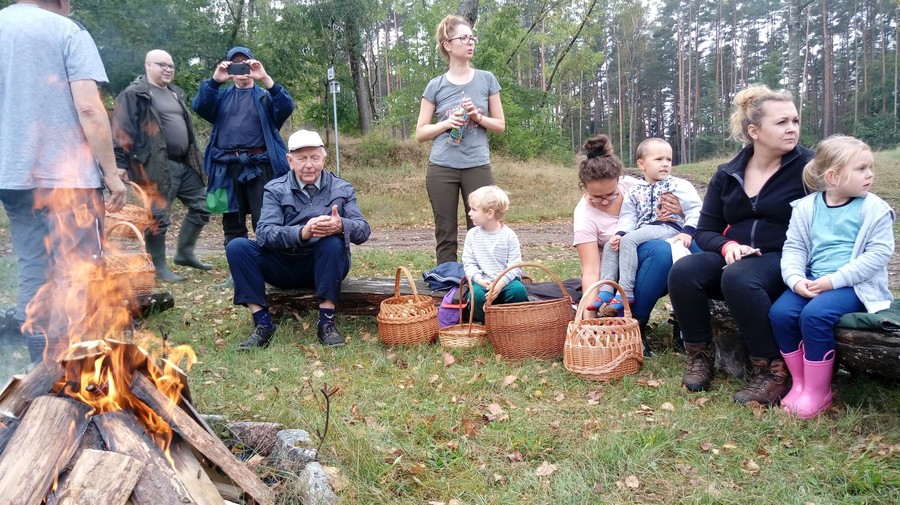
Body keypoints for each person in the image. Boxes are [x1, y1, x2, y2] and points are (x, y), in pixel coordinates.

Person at [667, 84, 814, 405]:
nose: (792, 128)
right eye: (781, 122)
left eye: (795, 120)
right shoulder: (728, 173)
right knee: (684, 270)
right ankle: (699, 354)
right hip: (738, 257)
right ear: (754, 131)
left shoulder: (809, 168)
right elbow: (705, 230)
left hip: (788, 257)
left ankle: (772, 369)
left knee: (738, 276)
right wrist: (726, 247)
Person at [0, 0, 127, 362]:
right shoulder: (67, 31)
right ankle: (73, 363)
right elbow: (89, 107)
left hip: (13, 176)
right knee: (79, 270)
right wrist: (111, 173)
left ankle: (38, 358)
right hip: (68, 179)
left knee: (33, 265)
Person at [770, 136, 893, 419]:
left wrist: (833, 281)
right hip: (813, 279)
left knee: (815, 315)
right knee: (781, 313)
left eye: (870, 167)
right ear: (833, 176)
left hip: (855, 285)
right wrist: (795, 279)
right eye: (861, 168)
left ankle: (818, 390)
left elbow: (877, 255)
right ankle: (800, 383)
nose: (870, 174)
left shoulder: (874, 209)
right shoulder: (806, 207)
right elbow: (794, 248)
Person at [225, 130, 370, 350]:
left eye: (315, 157)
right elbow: (264, 233)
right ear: (289, 160)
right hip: (283, 266)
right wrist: (303, 232)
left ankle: (326, 323)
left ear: (324, 158)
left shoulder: (342, 188)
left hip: (325, 265)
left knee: (332, 242)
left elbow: (364, 231)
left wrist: (341, 225)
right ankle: (263, 324)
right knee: (237, 247)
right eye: (302, 159)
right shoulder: (275, 189)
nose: (309, 165)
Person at [192, 45, 295, 286]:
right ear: (229, 68)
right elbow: (200, 106)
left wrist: (265, 78)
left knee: (265, 221)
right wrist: (214, 81)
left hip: (260, 167)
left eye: (245, 63)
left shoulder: (264, 96)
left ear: (252, 65)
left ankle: (269, 271)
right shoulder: (220, 97)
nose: (241, 69)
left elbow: (286, 107)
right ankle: (237, 275)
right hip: (226, 169)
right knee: (232, 223)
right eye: (235, 64)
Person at [573, 134, 685, 356]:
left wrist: (680, 212)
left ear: (620, 180)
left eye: (611, 195)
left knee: (682, 248)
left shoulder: (634, 187)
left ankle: (684, 325)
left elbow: (674, 217)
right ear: (584, 188)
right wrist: (588, 321)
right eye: (596, 197)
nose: (604, 202)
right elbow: (591, 270)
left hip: (655, 263)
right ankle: (632, 326)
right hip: (619, 273)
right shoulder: (584, 216)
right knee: (659, 251)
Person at [112, 49, 211, 282]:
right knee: (158, 216)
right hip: (154, 164)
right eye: (162, 65)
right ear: (148, 65)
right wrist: (120, 163)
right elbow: (121, 130)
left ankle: (185, 253)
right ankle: (158, 268)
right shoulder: (134, 94)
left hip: (184, 162)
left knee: (203, 205)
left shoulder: (175, 93)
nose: (168, 69)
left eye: (171, 65)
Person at [415, 15, 505, 265]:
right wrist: (446, 123)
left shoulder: (487, 79)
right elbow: (420, 133)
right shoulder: (435, 85)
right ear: (447, 45)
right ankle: (446, 281)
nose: (470, 42)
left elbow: (500, 125)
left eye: (472, 37)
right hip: (441, 167)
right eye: (463, 38)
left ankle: (483, 280)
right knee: (445, 231)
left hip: (477, 165)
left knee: (483, 227)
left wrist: (478, 117)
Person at [594, 138, 702, 310]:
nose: (665, 164)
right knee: (611, 245)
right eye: (658, 159)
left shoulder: (678, 185)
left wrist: (688, 231)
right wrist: (620, 234)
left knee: (629, 240)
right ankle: (606, 289)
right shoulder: (634, 190)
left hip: (668, 227)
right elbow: (628, 216)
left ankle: (626, 291)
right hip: (644, 230)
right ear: (641, 164)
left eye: (668, 159)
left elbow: (696, 209)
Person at [461, 185, 529, 323]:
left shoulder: (509, 236)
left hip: (506, 282)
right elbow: (469, 262)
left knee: (518, 291)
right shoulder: (472, 235)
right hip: (483, 282)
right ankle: (484, 324)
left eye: (474, 209)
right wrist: (479, 280)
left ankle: (514, 323)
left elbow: (515, 266)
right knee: (476, 296)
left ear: (490, 214)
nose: (469, 213)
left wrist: (500, 284)